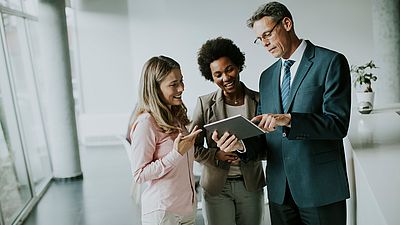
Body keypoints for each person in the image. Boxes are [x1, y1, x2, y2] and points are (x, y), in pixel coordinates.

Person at [243, 2, 351, 225]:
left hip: (321, 189)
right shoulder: (267, 76)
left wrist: (290, 120)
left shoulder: (331, 62)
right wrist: (239, 145)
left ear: (287, 23)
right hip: (280, 193)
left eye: (267, 34)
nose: (264, 43)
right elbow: (266, 135)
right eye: (259, 39)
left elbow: (337, 124)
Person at [190, 37, 266, 225]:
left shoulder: (260, 100)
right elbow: (192, 148)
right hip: (217, 188)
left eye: (229, 69)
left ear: (238, 66)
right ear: (211, 77)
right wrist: (217, 154)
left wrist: (244, 149)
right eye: (218, 74)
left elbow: (269, 146)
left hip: (250, 185)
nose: (225, 78)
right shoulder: (204, 104)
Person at [128, 55, 202, 225]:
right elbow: (139, 175)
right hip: (163, 214)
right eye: (173, 84)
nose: (181, 88)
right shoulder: (146, 123)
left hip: (186, 209)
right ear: (155, 88)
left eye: (181, 81)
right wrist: (176, 154)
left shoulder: (176, 118)